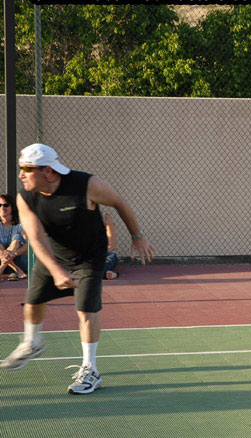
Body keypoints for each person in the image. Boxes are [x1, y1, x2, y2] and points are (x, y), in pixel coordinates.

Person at [0, 143, 156, 396]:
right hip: (54, 257)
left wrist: (137, 236)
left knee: (85, 310)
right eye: (21, 169)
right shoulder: (25, 196)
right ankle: (32, 342)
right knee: (32, 302)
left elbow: (119, 201)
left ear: (48, 171)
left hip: (89, 258)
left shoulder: (86, 185)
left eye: (27, 169)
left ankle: (90, 369)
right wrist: (56, 270)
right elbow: (36, 239)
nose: (21, 175)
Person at [0, 194, 28, 280]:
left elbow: (28, 245)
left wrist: (13, 253)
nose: (2, 208)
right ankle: (16, 270)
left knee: (17, 237)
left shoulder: (20, 224)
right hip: (1, 260)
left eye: (6, 205)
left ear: (12, 207)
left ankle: (1, 269)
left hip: (19, 261)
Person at [103, 212, 119, 280]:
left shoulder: (105, 217)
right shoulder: (74, 216)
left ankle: (102, 272)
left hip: (101, 254)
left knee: (112, 255)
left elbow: (112, 245)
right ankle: (106, 274)